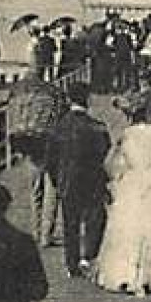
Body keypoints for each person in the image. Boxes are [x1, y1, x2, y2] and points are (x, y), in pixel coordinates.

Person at [94, 105, 151, 296]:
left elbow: (116, 165)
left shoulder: (126, 136)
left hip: (131, 184)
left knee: (129, 228)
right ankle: (150, 276)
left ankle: (125, 275)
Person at [47, 82, 112, 278]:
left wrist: (57, 179)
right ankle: (88, 256)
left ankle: (71, 263)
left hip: (67, 181)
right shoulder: (98, 127)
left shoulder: (58, 128)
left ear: (68, 100)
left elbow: (50, 159)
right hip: (92, 180)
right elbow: (105, 154)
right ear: (88, 100)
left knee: (70, 223)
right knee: (95, 218)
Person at [5, 70, 64, 248]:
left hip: (28, 144)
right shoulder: (52, 91)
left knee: (35, 190)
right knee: (52, 190)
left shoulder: (17, 92)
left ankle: (36, 230)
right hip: (50, 144)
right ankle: (46, 234)